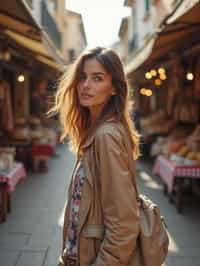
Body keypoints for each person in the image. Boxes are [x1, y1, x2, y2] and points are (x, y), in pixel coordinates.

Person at [50, 47, 141, 266]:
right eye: (82, 77)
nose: (86, 85)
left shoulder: (106, 136)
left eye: (97, 78)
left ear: (113, 88)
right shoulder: (96, 131)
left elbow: (124, 225)